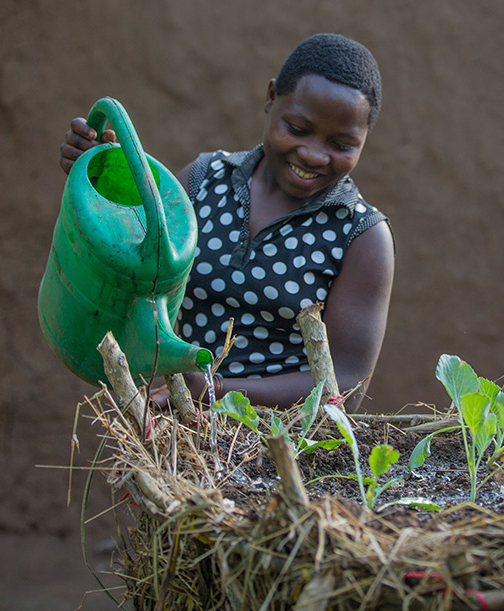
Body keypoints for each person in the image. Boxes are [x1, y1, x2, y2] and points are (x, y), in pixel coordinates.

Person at [59, 33, 394, 411]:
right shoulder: (203, 181)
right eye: (298, 129)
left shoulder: (360, 236)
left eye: (342, 145)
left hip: (286, 446)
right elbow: (133, 257)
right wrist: (98, 177)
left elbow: (347, 385)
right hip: (176, 425)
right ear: (271, 98)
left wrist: (215, 391)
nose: (314, 155)